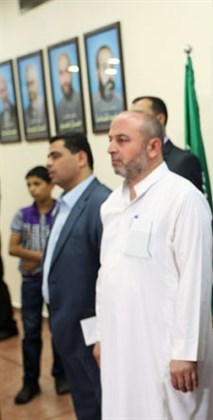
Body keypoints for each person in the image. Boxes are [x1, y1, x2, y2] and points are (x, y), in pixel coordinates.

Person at [94, 110, 213, 419]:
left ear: (153, 147)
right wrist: (101, 334)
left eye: (122, 140)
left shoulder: (182, 198)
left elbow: (195, 279)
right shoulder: (112, 205)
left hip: (166, 350)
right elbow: (106, 276)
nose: (111, 148)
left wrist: (185, 352)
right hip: (121, 344)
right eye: (111, 140)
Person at [44, 133, 110, 420]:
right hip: (68, 327)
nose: (48, 163)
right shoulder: (64, 204)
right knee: (85, 404)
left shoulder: (101, 203)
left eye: (56, 156)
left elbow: (110, 275)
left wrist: (102, 333)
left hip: (92, 332)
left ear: (81, 158)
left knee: (103, 404)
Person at [9, 166, 68, 404]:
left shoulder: (61, 212)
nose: (32, 189)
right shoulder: (22, 215)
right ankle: (30, 381)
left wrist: (36, 258)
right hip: (31, 282)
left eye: (37, 184)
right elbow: (13, 247)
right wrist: (44, 257)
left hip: (56, 282)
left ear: (51, 185)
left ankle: (61, 375)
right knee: (31, 331)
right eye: (29, 185)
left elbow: (66, 247)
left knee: (58, 330)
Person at [130, 96, 203, 191]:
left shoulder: (184, 162)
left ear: (160, 119)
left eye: (140, 114)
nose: (134, 121)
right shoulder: (134, 160)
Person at [91, 45, 123, 124]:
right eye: (104, 67)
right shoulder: (93, 102)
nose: (109, 74)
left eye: (111, 66)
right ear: (97, 73)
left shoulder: (121, 100)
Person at [55, 53, 83, 133]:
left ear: (71, 73)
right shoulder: (59, 107)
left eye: (67, 71)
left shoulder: (80, 100)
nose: (65, 79)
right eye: (61, 73)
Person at [24, 63, 48, 129]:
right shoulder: (26, 113)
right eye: (27, 84)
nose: (29, 89)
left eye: (32, 83)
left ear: (38, 83)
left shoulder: (46, 106)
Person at [0, 73, 19, 138]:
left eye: (3, 90)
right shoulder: (1, 116)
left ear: (8, 89)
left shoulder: (17, 110)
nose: (3, 95)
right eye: (0, 92)